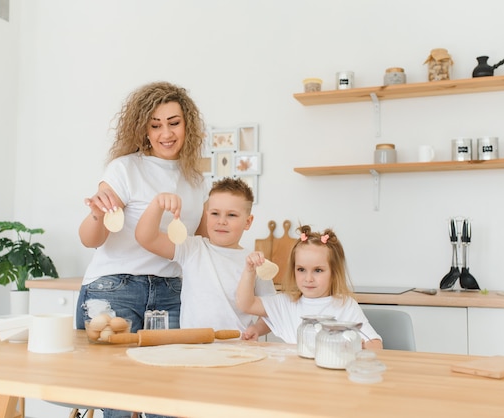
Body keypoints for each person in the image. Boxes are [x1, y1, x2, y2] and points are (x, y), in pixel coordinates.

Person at [76, 81, 208, 418]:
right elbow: (91, 239)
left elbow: (203, 245)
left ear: (187, 125)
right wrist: (96, 212)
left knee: (168, 401)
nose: (166, 133)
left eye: (174, 122)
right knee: (118, 403)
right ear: (143, 129)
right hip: (115, 289)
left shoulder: (196, 179)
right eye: (155, 124)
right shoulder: (124, 169)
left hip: (172, 292)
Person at [135, 177, 275, 334]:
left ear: (248, 222)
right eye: (215, 213)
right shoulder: (192, 248)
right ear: (207, 215)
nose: (221, 221)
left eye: (232, 215)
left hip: (237, 349)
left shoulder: (255, 263)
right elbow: (147, 238)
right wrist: (157, 205)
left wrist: (256, 329)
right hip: (194, 349)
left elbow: (273, 311)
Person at [237, 225, 383, 350]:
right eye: (301, 269)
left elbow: (376, 344)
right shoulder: (285, 303)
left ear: (334, 272)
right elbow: (245, 304)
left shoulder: (346, 306)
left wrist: (359, 346)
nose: (308, 278)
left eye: (318, 270)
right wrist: (249, 271)